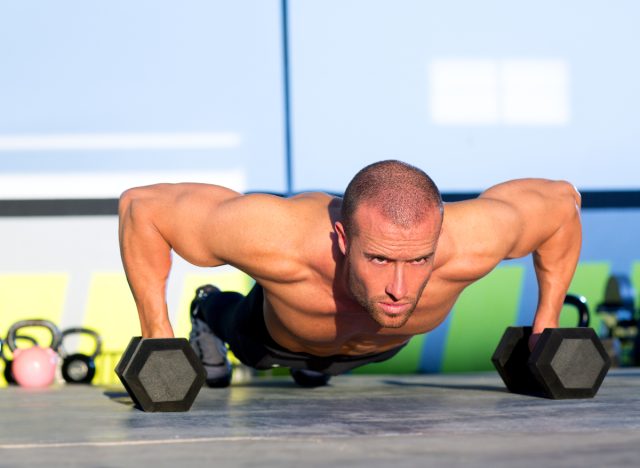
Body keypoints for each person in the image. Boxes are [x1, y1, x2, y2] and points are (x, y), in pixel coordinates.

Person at [118, 160, 582, 387]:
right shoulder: (276, 236)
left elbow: (561, 204)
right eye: (380, 259)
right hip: (270, 340)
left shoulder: (473, 241)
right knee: (245, 336)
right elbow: (142, 207)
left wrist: (548, 322)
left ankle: (320, 368)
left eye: (419, 260)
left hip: (374, 350)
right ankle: (208, 308)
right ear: (343, 239)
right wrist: (157, 333)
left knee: (327, 366)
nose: (399, 290)